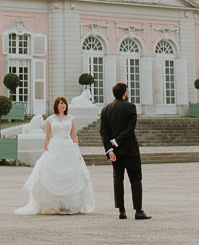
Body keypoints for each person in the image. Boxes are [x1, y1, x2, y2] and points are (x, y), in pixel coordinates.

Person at [14, 96, 95, 215]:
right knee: (53, 174)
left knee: (70, 174)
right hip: (55, 146)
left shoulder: (71, 119)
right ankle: (54, 205)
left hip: (68, 147)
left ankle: (69, 204)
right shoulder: (50, 120)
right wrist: (45, 151)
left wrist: (77, 149)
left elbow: (74, 136)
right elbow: (47, 137)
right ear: (56, 105)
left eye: (64, 103)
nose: (63, 105)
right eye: (60, 103)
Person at [99, 82, 149, 220]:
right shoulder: (131, 107)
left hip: (115, 153)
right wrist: (116, 141)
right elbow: (130, 129)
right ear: (124, 93)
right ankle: (138, 210)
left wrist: (110, 149)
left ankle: (121, 211)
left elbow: (103, 132)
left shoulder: (105, 109)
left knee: (118, 179)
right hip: (130, 150)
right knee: (136, 179)